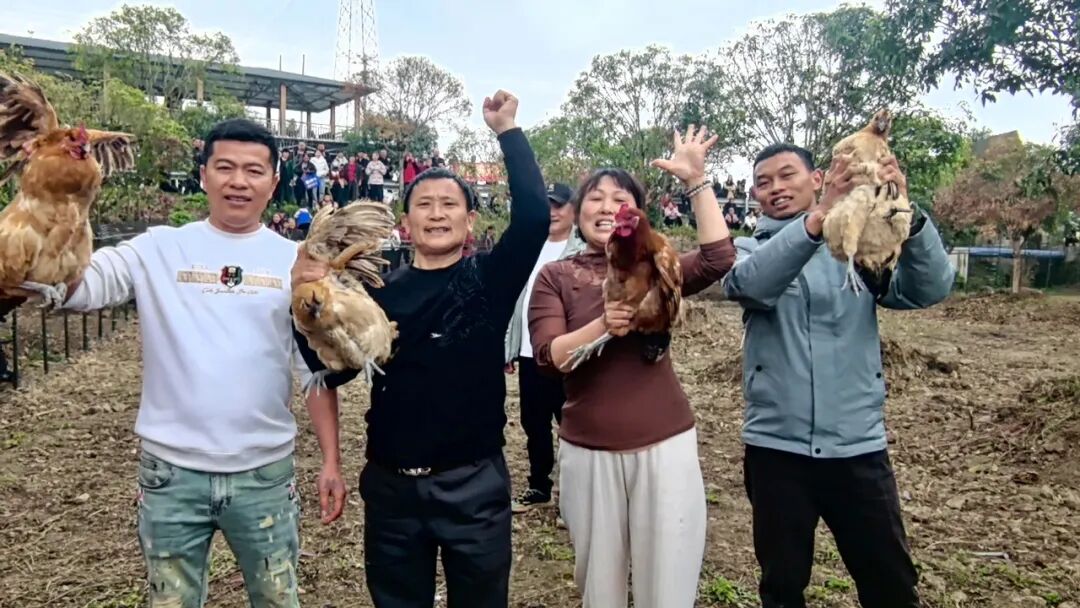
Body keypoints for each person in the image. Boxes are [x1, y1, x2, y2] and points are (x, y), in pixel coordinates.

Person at [60, 119, 347, 608]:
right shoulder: (158, 248)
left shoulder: (297, 264)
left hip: (263, 473)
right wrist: (53, 218)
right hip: (172, 475)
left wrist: (331, 461)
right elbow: (80, 288)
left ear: (274, 181)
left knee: (277, 598)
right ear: (203, 175)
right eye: (225, 167)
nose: (239, 182)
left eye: (254, 170)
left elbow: (312, 372)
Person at [291, 90, 549, 608]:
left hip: (473, 485)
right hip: (392, 490)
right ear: (405, 223)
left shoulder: (489, 280)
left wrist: (507, 131)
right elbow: (332, 367)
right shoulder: (375, 295)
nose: (436, 214)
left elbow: (534, 219)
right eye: (423, 205)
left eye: (449, 204)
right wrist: (306, 303)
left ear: (469, 221)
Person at [722, 143, 955, 608]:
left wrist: (906, 214)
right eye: (764, 183)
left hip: (857, 446)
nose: (776, 188)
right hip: (777, 449)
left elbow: (927, 290)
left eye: (787, 175)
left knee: (890, 583)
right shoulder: (751, 248)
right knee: (782, 585)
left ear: (817, 179)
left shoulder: (858, 249)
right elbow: (750, 286)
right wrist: (817, 221)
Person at [528, 126, 736, 607]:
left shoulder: (658, 264)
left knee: (668, 586)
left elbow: (718, 257)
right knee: (599, 588)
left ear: (636, 213)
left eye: (620, 198)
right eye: (595, 198)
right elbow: (549, 356)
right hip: (588, 450)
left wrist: (696, 182)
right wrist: (603, 324)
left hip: (666, 445)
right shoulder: (556, 276)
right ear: (577, 212)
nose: (607, 207)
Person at [503, 181, 583, 512]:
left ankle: (575, 495)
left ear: (573, 211)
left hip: (566, 353)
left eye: (558, 206)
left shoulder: (583, 252)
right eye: (547, 205)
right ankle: (539, 486)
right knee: (533, 422)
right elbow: (516, 301)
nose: (552, 212)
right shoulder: (529, 248)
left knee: (571, 422)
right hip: (530, 353)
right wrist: (510, 347)